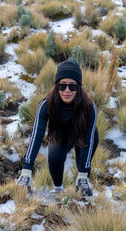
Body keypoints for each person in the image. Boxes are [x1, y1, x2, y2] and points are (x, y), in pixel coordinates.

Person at [16, 58, 99, 196]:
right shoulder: (46, 105)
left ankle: (82, 181)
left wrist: (83, 175)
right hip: (60, 134)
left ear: (78, 88)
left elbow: (88, 141)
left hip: (83, 135)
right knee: (55, 159)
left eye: (72, 86)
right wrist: (26, 170)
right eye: (62, 85)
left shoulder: (90, 107)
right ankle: (58, 190)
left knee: (82, 166)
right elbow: (36, 137)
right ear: (57, 86)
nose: (67, 90)